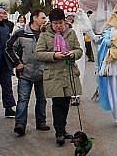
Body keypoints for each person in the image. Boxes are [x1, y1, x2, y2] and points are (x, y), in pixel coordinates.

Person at [35, 8, 83, 146]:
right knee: (58, 103)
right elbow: (38, 54)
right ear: (51, 23)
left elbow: (79, 50)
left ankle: (63, 128)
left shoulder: (71, 33)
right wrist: (53, 55)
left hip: (68, 73)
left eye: (60, 23)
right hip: (53, 74)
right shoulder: (44, 35)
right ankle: (59, 132)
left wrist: (72, 53)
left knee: (66, 102)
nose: (58, 26)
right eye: (55, 23)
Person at [6, 9, 49, 136]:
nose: (45, 20)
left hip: (42, 72)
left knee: (42, 99)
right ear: (34, 18)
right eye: (42, 18)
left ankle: (41, 122)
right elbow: (9, 48)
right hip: (25, 73)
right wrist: (17, 63)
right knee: (23, 99)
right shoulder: (21, 33)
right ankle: (20, 124)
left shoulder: (46, 34)